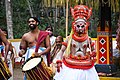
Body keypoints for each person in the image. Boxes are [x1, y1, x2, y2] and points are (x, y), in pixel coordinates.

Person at [53, 5, 99, 80]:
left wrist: (93, 53)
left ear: (86, 26)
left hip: (86, 66)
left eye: (82, 26)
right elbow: (61, 50)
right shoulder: (69, 38)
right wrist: (58, 60)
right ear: (74, 26)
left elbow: (93, 50)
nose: (80, 28)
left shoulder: (88, 39)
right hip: (70, 65)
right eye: (78, 26)